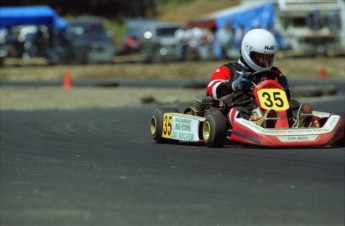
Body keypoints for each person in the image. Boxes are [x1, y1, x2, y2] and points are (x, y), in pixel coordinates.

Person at [206, 28, 313, 128]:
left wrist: (285, 89)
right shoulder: (229, 69)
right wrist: (234, 86)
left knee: (294, 104)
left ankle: (295, 123)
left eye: (268, 58)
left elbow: (286, 98)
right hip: (243, 106)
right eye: (260, 57)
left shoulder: (275, 72)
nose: (264, 62)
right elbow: (211, 90)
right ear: (247, 51)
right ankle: (256, 123)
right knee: (235, 111)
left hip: (273, 110)